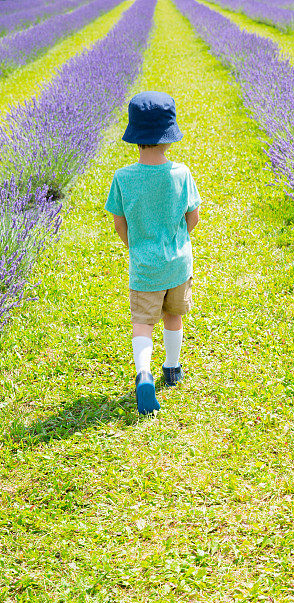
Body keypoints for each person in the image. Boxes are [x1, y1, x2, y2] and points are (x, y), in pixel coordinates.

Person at [105, 91, 201, 415]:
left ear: (135, 137)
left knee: (142, 324)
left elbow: (120, 222)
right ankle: (172, 369)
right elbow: (193, 217)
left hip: (144, 266)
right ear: (169, 136)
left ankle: (143, 374)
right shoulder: (181, 173)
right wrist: (177, 240)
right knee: (173, 316)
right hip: (177, 264)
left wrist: (136, 245)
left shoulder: (123, 177)